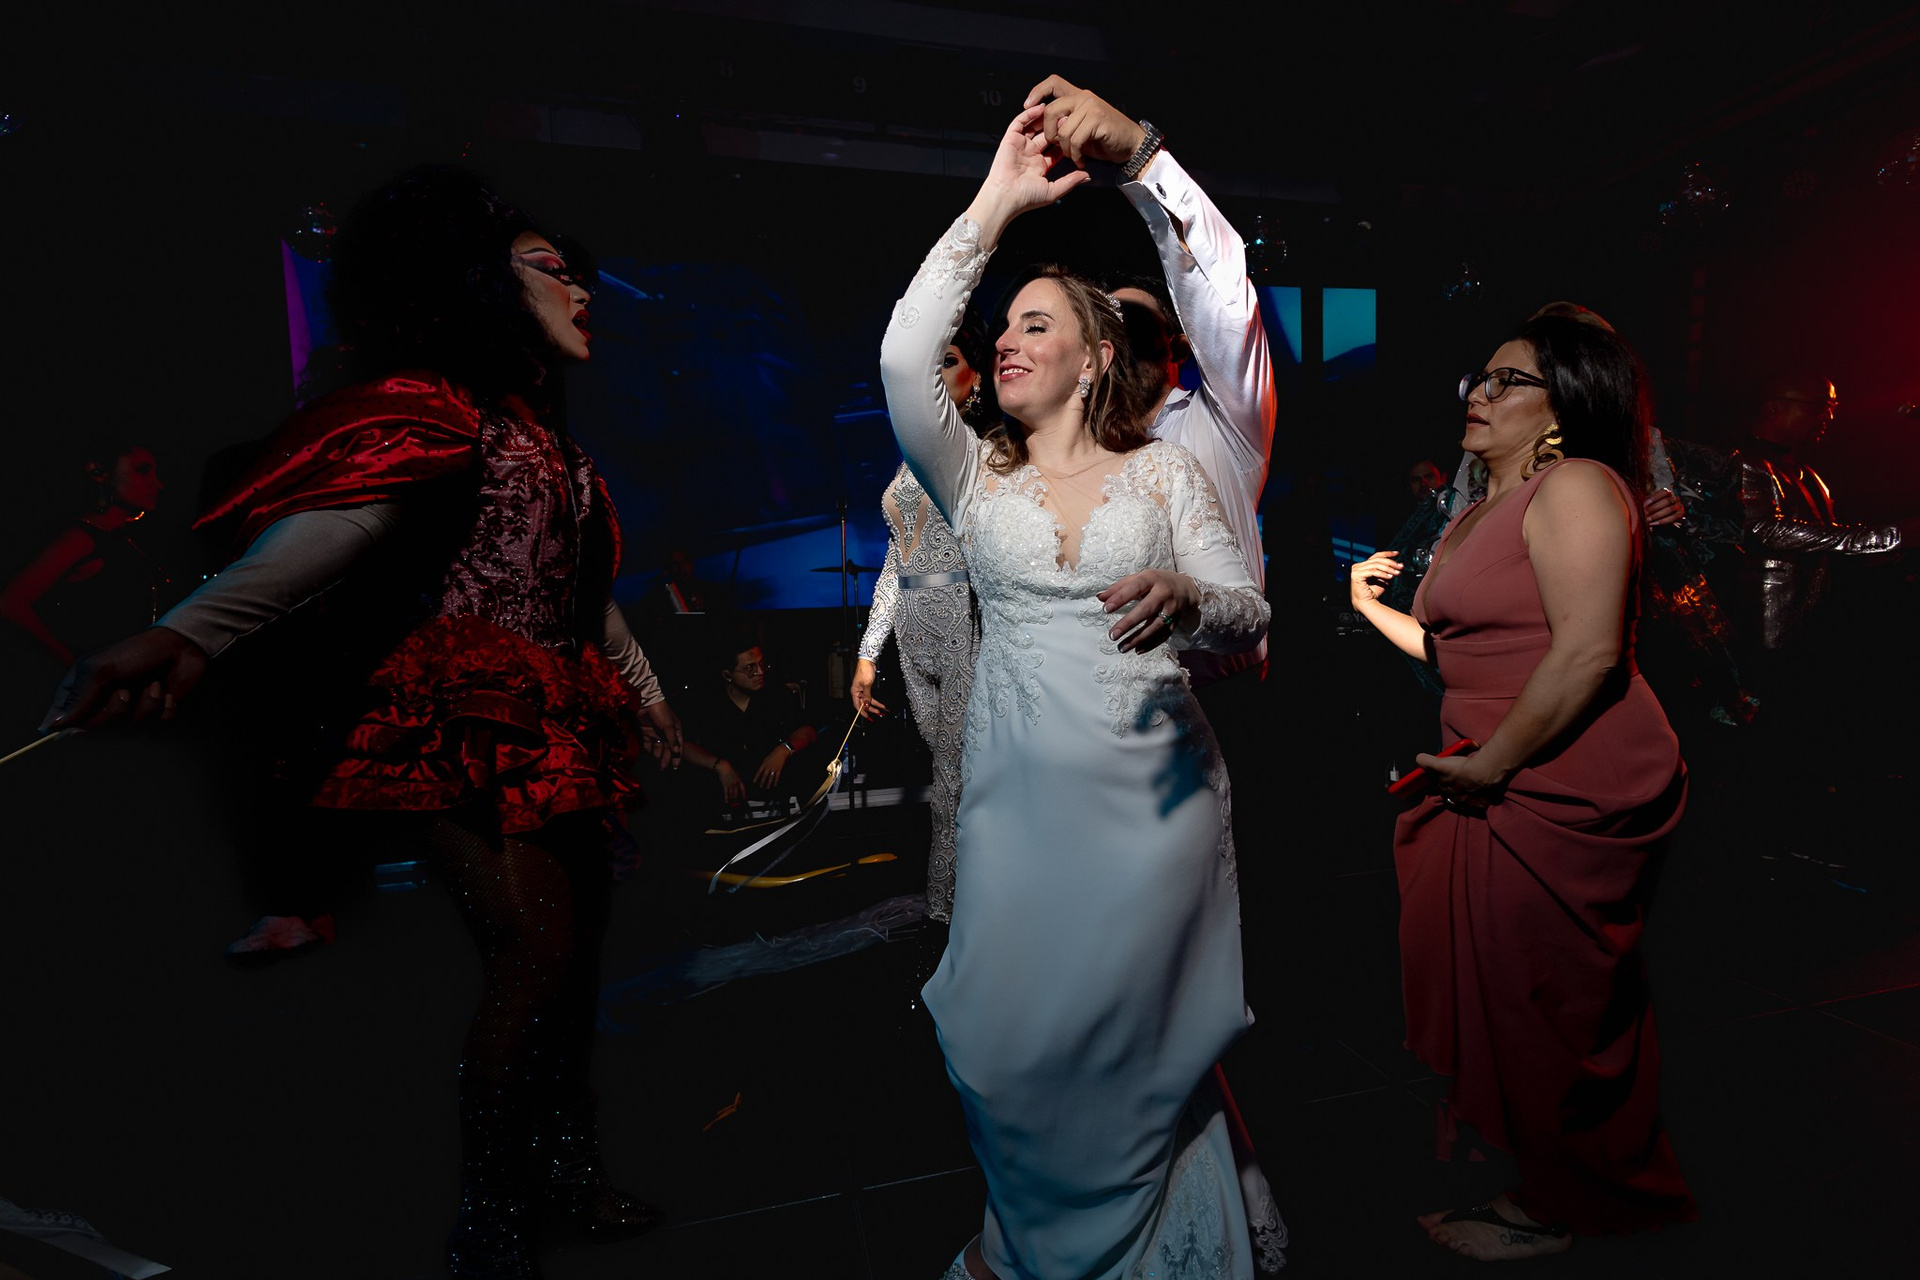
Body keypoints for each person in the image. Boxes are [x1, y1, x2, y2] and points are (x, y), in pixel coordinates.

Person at [39, 166, 681, 1279]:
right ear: (476, 285)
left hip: (561, 708)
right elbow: (337, 530)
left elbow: (585, 591)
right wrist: (189, 632)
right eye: (549, 270)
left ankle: (568, 1171)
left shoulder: (554, 444)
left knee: (572, 959)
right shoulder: (443, 411)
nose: (580, 288)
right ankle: (491, 1213)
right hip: (461, 710)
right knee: (534, 950)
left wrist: (653, 693)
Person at [881, 104, 1282, 1279]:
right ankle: (1043, 1233)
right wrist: (997, 203)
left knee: (1131, 1050)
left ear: (1097, 355)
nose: (1006, 339)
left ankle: (1124, 1240)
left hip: (1154, 809)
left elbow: (1248, 609)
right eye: (1003, 323)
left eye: (1036, 323)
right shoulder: (970, 474)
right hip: (1016, 809)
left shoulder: (1165, 474)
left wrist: (1191, 597)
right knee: (1002, 1043)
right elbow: (905, 357)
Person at [1347, 315, 1695, 1259]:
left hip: (1560, 774)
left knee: (1549, 1005)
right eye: (1480, 377)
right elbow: (1456, 651)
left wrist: (1492, 765)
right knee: (1510, 996)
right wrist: (1370, 607)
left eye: (1509, 382)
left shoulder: (1575, 486)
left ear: (1563, 407)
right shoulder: (1476, 511)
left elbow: (1588, 653)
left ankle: (1574, 1202)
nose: (1480, 393)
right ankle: (1543, 1179)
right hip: (1493, 763)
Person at [851, 310, 995, 924]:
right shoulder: (910, 459)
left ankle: (950, 917)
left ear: (977, 378)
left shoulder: (985, 455)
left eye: (950, 361)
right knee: (947, 767)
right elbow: (895, 561)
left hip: (963, 619)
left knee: (954, 778)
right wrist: (868, 654)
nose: (936, 374)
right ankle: (970, 903)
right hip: (913, 628)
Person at [1, 442, 167, 672]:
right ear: (98, 472)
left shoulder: (117, 539)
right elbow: (10, 603)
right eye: (142, 470)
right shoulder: (81, 538)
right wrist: (75, 666)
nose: (157, 484)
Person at [682, 630, 821, 812]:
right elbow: (683, 745)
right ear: (727, 675)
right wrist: (720, 766)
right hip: (722, 802)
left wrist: (784, 749)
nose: (760, 672)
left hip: (775, 799)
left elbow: (808, 731)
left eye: (761, 664)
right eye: (750, 668)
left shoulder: (775, 693)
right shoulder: (708, 702)